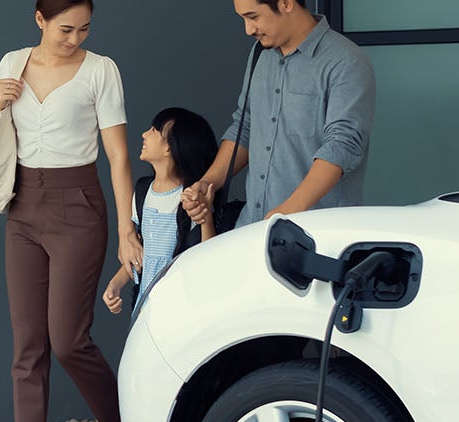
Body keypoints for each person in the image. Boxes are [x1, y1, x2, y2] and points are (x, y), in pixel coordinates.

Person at [0, 0, 129, 422]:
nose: (74, 38)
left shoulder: (100, 71)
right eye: (65, 29)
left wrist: (126, 229)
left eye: (84, 29)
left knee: (69, 341)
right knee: (28, 344)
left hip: (79, 205)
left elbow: (117, 155)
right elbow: (3, 137)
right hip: (23, 207)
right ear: (39, 20)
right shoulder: (11, 64)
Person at [182, 0, 376, 227]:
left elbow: (342, 145)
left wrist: (287, 211)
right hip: (252, 227)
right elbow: (245, 127)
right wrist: (209, 184)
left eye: (253, 17)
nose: (248, 29)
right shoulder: (260, 54)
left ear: (286, 3)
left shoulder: (346, 61)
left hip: (316, 237)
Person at [102, 108, 235, 315]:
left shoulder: (190, 196)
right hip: (145, 305)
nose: (144, 134)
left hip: (180, 306)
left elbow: (207, 254)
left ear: (169, 148)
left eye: (154, 130)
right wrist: (116, 284)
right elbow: (142, 253)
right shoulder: (142, 191)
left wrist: (205, 215)